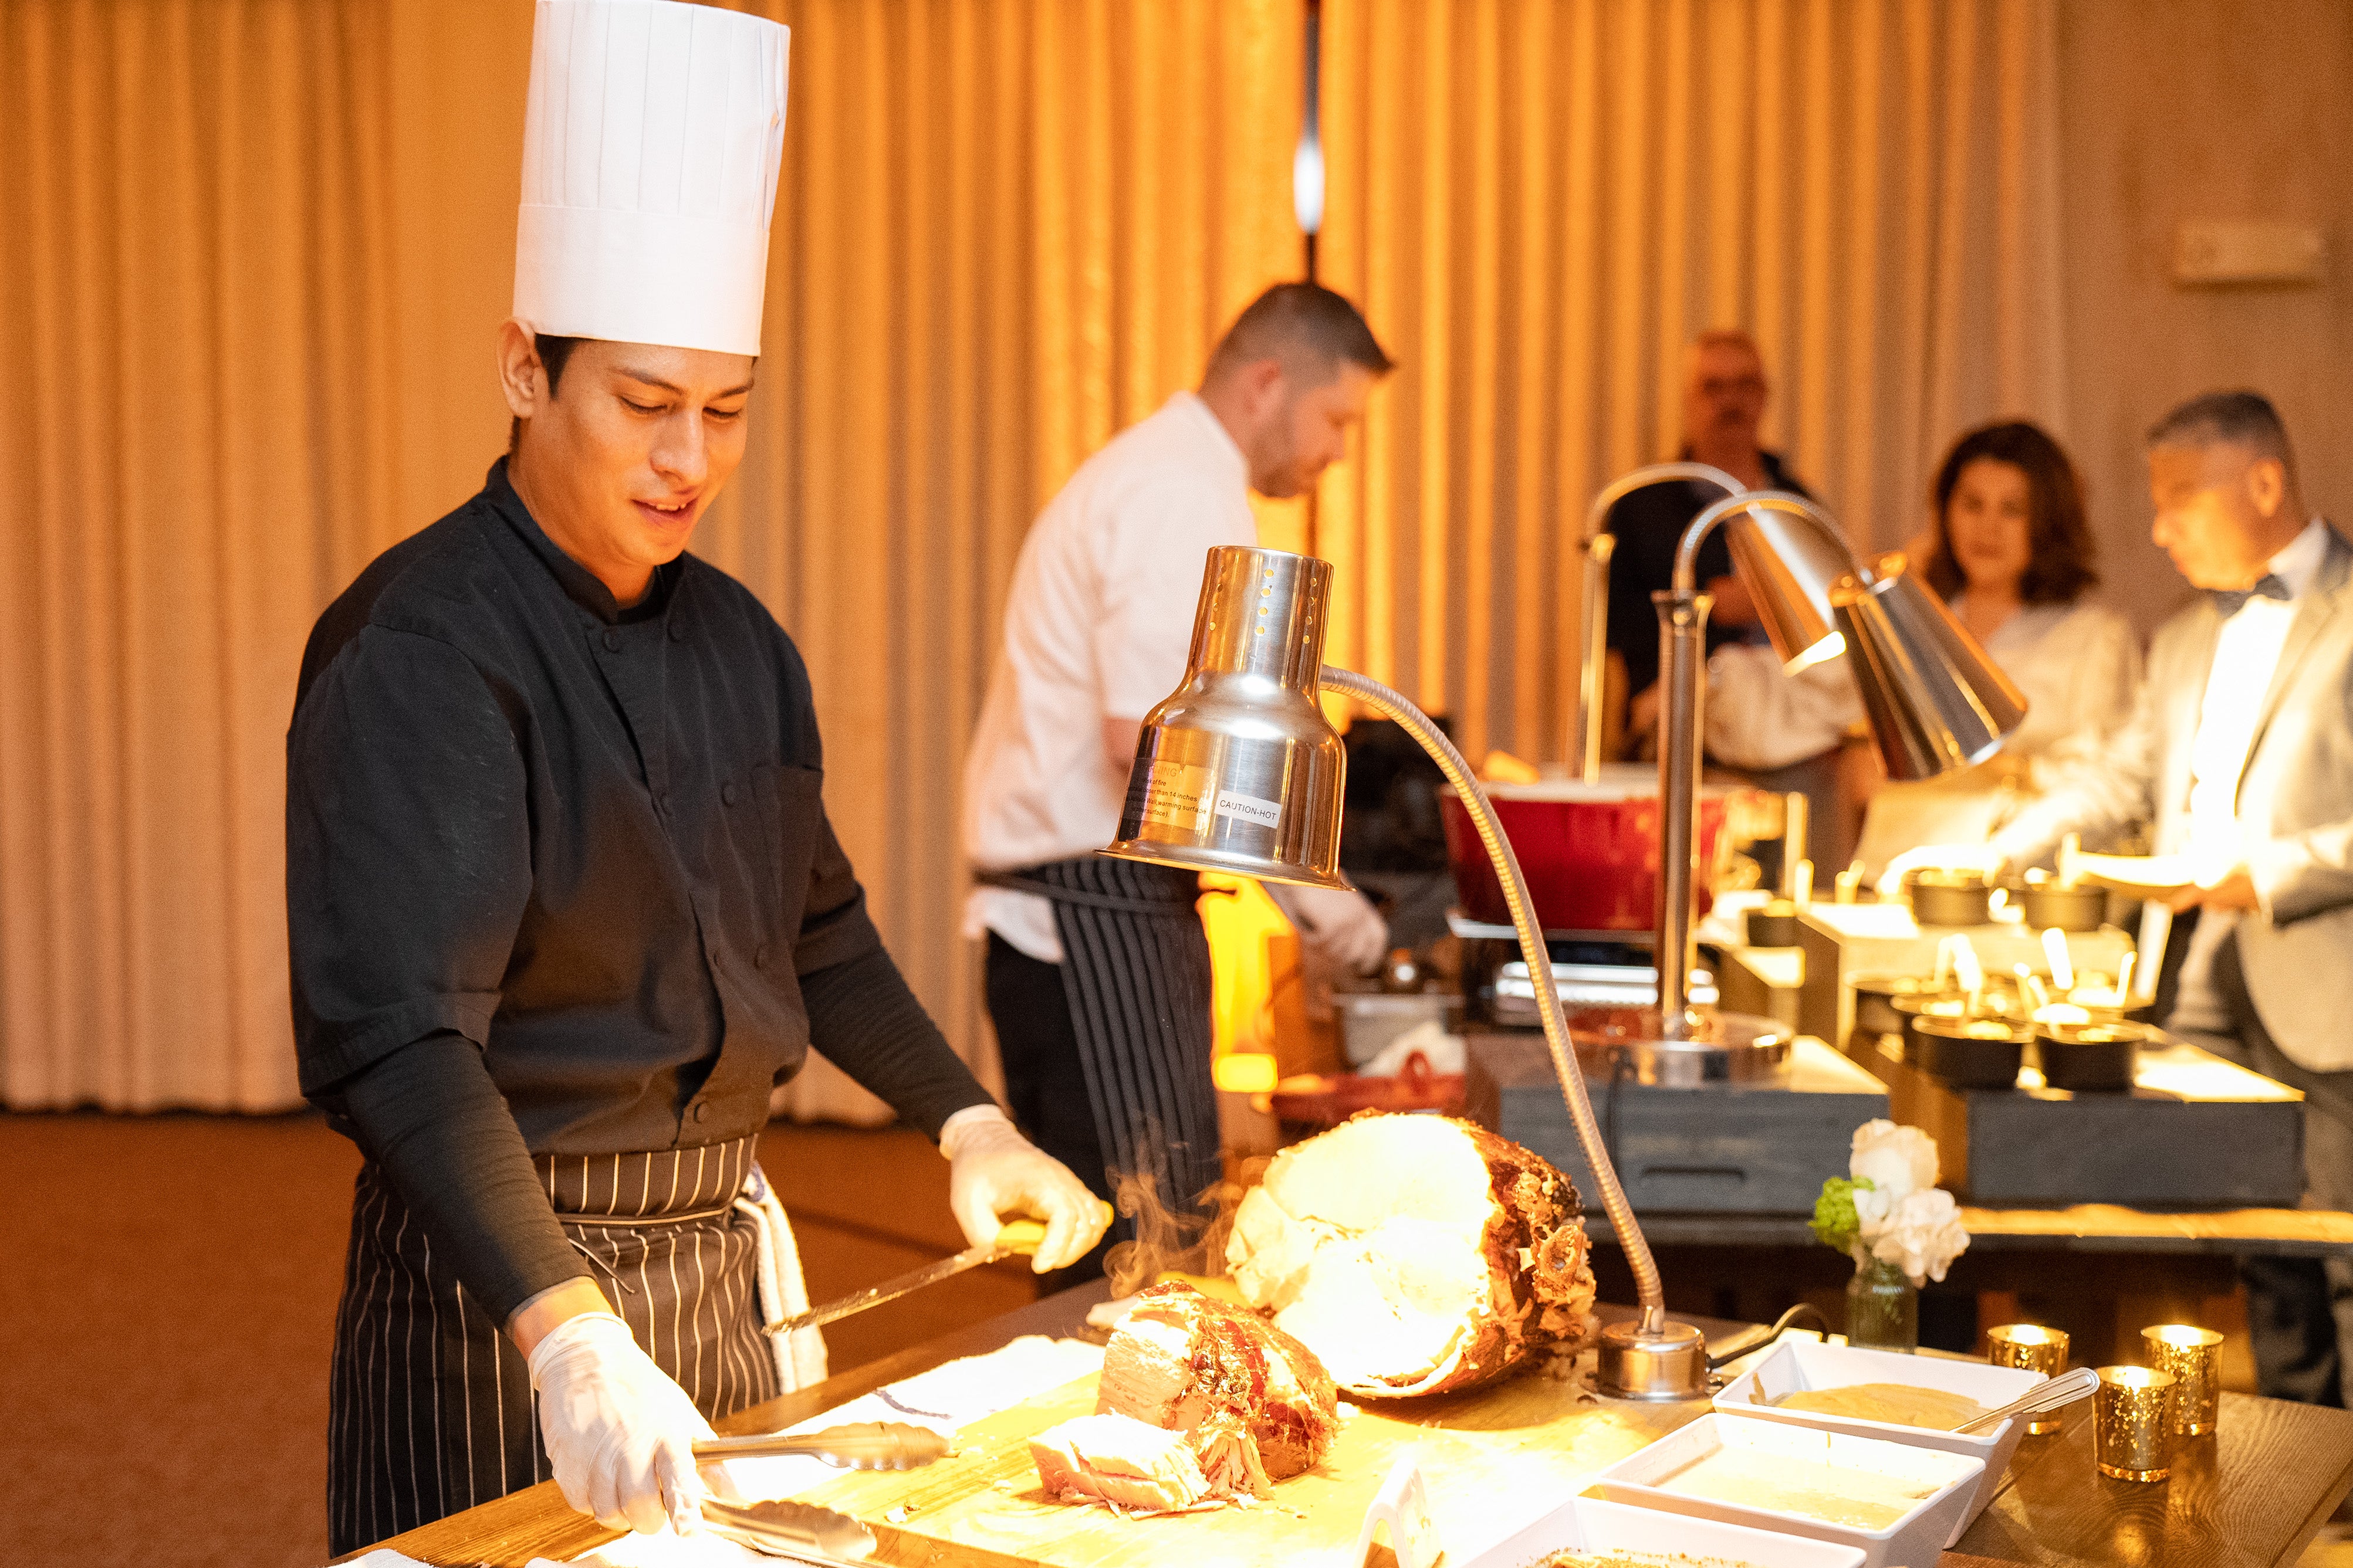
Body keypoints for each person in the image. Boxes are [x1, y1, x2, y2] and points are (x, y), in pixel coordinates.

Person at [287, 6, 1104, 1552]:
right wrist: (568, 1332)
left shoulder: (743, 644)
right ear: (528, 370)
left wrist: (965, 1122)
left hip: (716, 1262)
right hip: (502, 1291)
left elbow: (817, 932)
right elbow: (400, 1045)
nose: (690, 461)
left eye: (726, 411)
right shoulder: (422, 650)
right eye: (644, 404)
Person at [1920, 392, 2353, 1404]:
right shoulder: (2183, 636)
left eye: (2178, 500)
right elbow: (2122, 777)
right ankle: (2302, 1484)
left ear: (2263, 482)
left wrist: (2263, 874)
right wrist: (2002, 848)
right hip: (2199, 969)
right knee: (2255, 1250)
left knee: (2342, 1245)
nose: (2159, 529)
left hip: (2324, 976)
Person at [963, 283, 1393, 1281]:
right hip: (1087, 923)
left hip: (1087, 915)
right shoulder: (1181, 492)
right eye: (1337, 418)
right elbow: (1151, 741)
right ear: (1267, 381)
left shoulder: (1165, 473)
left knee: (1126, 1243)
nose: (1338, 451)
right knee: (1138, 1256)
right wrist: (1314, 899)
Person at [1801, 421, 2141, 879]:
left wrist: (2004, 813)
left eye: (2012, 510)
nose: (1988, 528)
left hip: (2009, 878)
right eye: (1972, 505)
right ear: (1945, 510)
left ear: (2047, 522)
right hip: (1886, 871)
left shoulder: (2095, 637)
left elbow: (2110, 784)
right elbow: (1817, 705)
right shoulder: (1913, 618)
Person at [1607, 329, 1847, 869]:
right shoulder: (1642, 507)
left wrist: (1755, 601)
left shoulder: (1799, 504)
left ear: (1765, 398)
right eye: (1713, 387)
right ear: (1690, 402)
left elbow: (1830, 614)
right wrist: (1714, 610)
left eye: (1745, 385)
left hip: (1801, 742)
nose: (1730, 401)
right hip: (1690, 738)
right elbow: (1620, 628)